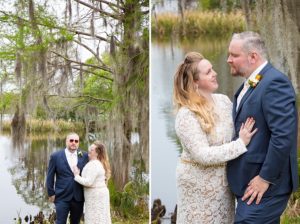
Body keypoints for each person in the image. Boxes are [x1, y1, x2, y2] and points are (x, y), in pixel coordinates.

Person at [173, 52, 257, 223]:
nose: (215, 73)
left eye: (212, 69)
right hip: (198, 190)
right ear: (195, 82)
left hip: (224, 187)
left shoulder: (223, 101)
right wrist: (240, 144)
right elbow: (202, 155)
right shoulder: (186, 114)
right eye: (208, 72)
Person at [227, 31, 298, 223]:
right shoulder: (252, 82)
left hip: (266, 186)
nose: (228, 60)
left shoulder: (274, 82)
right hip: (249, 183)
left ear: (253, 57)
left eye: (234, 55)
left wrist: (265, 178)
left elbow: (283, 136)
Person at [46, 132, 88, 224]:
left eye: (76, 141)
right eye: (71, 140)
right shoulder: (56, 156)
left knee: (75, 222)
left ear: (78, 143)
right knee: (60, 222)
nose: (74, 143)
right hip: (61, 196)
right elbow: (50, 176)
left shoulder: (83, 155)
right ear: (66, 141)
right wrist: (50, 193)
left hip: (78, 197)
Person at [73, 141, 112, 224]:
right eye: (89, 148)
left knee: (95, 218)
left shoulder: (94, 164)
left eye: (91, 149)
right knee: (98, 217)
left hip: (96, 195)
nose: (89, 150)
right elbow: (80, 153)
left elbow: (88, 182)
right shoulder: (95, 162)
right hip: (96, 194)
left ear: (97, 153)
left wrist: (76, 176)